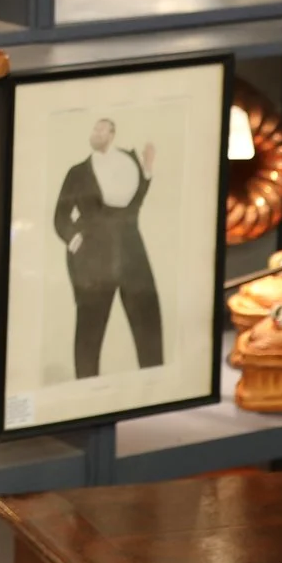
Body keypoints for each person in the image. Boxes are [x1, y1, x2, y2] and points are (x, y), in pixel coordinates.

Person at [52, 117, 164, 378]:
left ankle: (157, 386)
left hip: (131, 250)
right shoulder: (77, 172)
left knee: (147, 320)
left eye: (101, 129)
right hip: (93, 258)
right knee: (89, 329)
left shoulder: (130, 161)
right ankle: (86, 391)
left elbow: (133, 203)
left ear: (112, 133)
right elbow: (60, 215)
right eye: (94, 129)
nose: (96, 133)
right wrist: (73, 238)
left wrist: (147, 172)